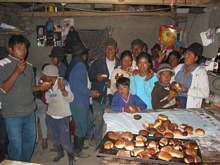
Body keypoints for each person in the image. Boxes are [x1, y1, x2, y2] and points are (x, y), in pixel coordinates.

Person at [0, 35, 48, 162]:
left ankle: (25, 163)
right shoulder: (3, 65)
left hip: (29, 113)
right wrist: (16, 72)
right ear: (10, 50)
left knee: (29, 144)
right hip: (13, 115)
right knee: (16, 147)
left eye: (25, 47)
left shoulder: (29, 66)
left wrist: (40, 88)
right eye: (19, 47)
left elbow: (29, 88)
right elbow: (3, 88)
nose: (23, 50)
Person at [66, 42, 100, 158]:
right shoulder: (80, 65)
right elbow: (78, 86)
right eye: (86, 54)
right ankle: (77, 150)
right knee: (81, 127)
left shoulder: (74, 64)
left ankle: (78, 145)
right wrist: (91, 93)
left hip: (77, 101)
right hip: (79, 102)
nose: (87, 56)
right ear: (82, 55)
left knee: (84, 123)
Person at [42, 65, 76, 165]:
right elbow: (48, 100)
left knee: (65, 139)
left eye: (44, 75)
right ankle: (60, 153)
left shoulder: (63, 83)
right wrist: (46, 90)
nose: (43, 77)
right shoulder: (48, 84)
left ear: (49, 75)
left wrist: (63, 91)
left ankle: (71, 159)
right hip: (51, 115)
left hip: (62, 116)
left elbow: (70, 99)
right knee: (54, 137)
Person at [89, 38, 120, 147]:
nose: (110, 50)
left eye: (112, 48)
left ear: (116, 50)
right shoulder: (98, 63)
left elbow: (123, 82)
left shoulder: (119, 64)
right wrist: (96, 77)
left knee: (110, 122)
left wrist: (113, 84)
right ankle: (98, 144)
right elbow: (91, 76)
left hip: (112, 98)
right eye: (108, 48)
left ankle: (108, 143)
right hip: (99, 97)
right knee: (98, 121)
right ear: (104, 50)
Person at [171, 42, 209, 108]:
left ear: (196, 58)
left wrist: (187, 90)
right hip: (174, 97)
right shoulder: (179, 67)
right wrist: (172, 83)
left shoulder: (200, 72)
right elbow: (169, 80)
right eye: (186, 53)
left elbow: (205, 93)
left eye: (189, 55)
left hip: (188, 102)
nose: (185, 56)